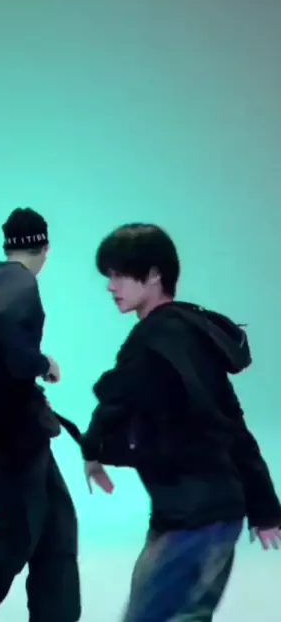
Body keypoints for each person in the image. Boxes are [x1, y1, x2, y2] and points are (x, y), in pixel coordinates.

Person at [81, 222, 281, 622]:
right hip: (198, 512)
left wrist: (95, 448)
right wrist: (263, 506)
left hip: (195, 517)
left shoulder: (161, 340)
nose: (111, 286)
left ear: (154, 274)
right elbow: (229, 420)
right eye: (109, 275)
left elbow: (121, 399)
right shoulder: (183, 332)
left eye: (120, 275)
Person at [0, 208, 81, 622]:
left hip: (6, 420)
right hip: (11, 429)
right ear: (45, 247)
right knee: (19, 533)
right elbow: (17, 356)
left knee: (56, 525)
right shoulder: (24, 285)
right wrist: (44, 364)